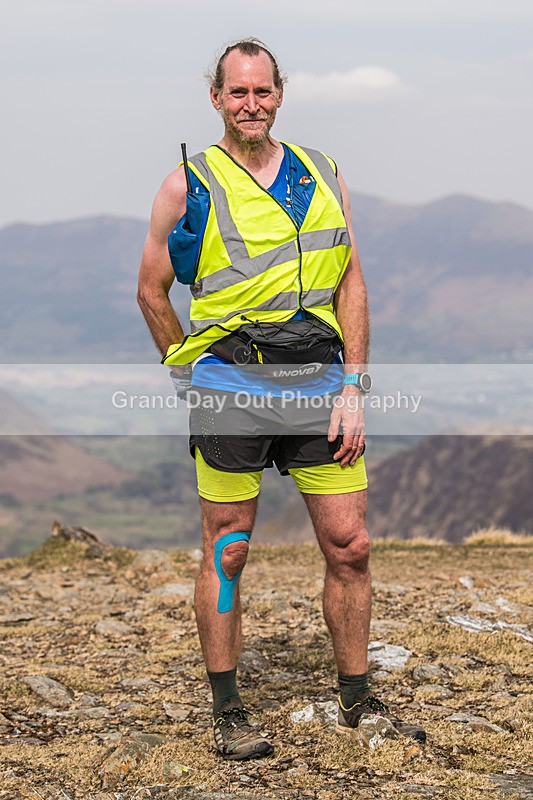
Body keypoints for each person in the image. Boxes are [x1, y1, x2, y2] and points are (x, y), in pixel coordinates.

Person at [137, 38, 426, 760]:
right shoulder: (186, 183)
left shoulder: (321, 172)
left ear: (279, 94)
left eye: (261, 91)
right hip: (229, 383)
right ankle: (228, 710)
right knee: (229, 552)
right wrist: (186, 374)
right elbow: (150, 290)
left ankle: (358, 698)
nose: (250, 104)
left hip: (321, 384)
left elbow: (350, 281)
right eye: (237, 92)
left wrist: (355, 388)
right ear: (215, 99)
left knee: (349, 546)